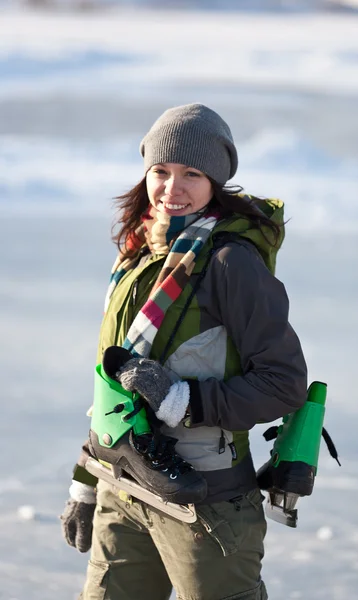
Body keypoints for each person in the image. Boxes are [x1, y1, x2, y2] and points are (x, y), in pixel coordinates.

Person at [60, 103, 308, 600]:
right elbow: (112, 386)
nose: (172, 189)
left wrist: (183, 401)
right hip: (124, 488)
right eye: (161, 171)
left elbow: (284, 383)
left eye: (192, 173)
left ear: (216, 180)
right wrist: (86, 482)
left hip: (206, 505)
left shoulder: (230, 263)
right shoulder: (138, 252)